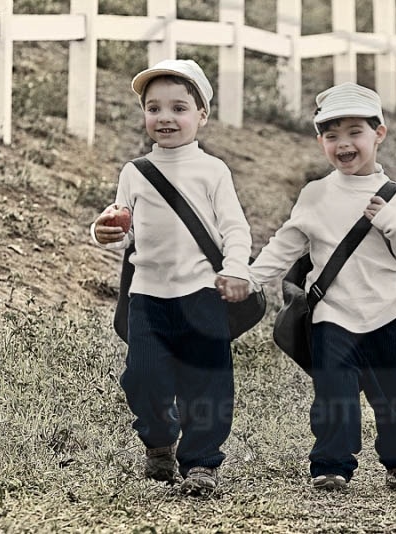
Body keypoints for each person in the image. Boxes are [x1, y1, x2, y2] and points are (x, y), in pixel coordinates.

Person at [219, 82, 396, 491]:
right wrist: (249, 278)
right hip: (332, 316)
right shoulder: (315, 195)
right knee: (334, 397)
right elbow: (285, 245)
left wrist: (391, 222)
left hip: (388, 316)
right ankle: (331, 464)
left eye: (355, 132)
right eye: (331, 136)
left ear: (378, 133)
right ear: (320, 141)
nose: (343, 144)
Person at [90, 59, 251, 496]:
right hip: (148, 295)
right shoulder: (135, 172)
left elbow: (235, 227)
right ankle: (159, 441)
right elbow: (118, 222)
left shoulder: (213, 170)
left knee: (208, 381)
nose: (165, 117)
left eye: (179, 108)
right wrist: (104, 227)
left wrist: (236, 269)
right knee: (142, 377)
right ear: (144, 115)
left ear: (201, 115)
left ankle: (201, 463)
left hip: (202, 293)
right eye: (154, 108)